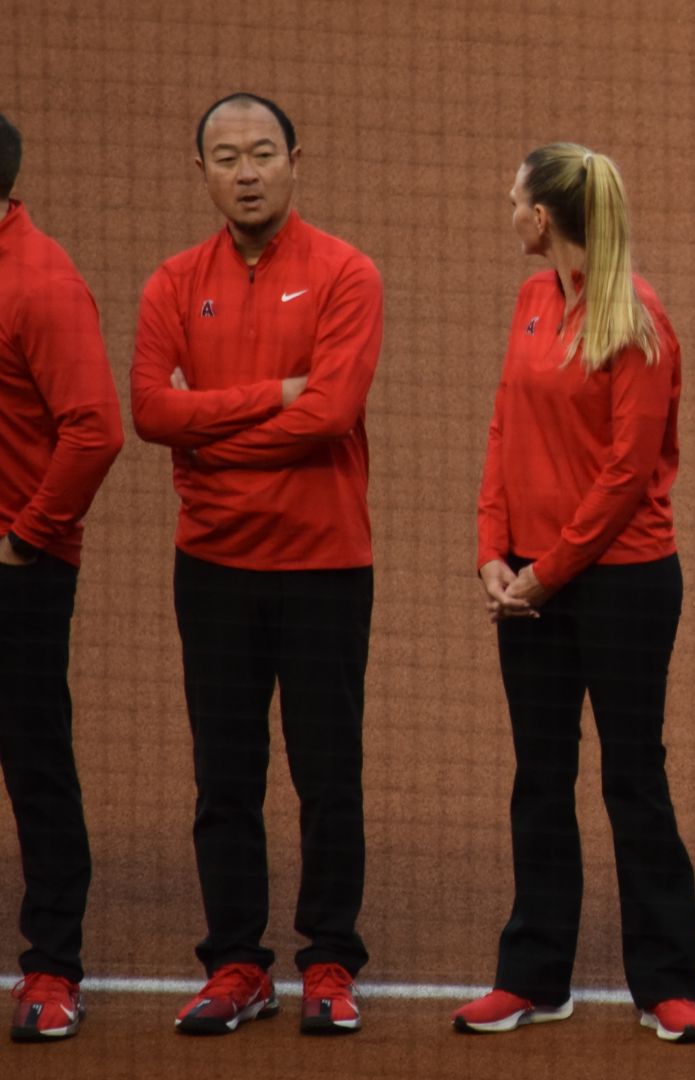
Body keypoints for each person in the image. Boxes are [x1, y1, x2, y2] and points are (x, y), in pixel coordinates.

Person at [129, 92, 381, 1036]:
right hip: (215, 569)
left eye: (263, 153)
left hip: (324, 566)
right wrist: (272, 398)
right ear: (202, 172)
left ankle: (328, 962)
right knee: (224, 774)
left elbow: (332, 413)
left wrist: (209, 431)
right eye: (227, 157)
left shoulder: (347, 274)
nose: (246, 172)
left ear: (294, 160)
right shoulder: (169, 283)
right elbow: (150, 412)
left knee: (329, 772)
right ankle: (238, 963)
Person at [448, 143, 695, 1044]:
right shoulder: (530, 301)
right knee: (540, 778)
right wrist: (491, 546)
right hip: (528, 579)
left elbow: (626, 473)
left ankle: (668, 986)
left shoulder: (637, 319)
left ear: (545, 217)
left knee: (634, 777)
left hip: (624, 585)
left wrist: (544, 573)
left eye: (514, 198)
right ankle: (532, 976)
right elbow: (502, 425)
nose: (507, 209)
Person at [0, 111, 124, 1043]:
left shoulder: (40, 282)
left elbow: (95, 427)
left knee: (33, 760)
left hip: (18, 571)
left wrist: (26, 536)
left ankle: (51, 967)